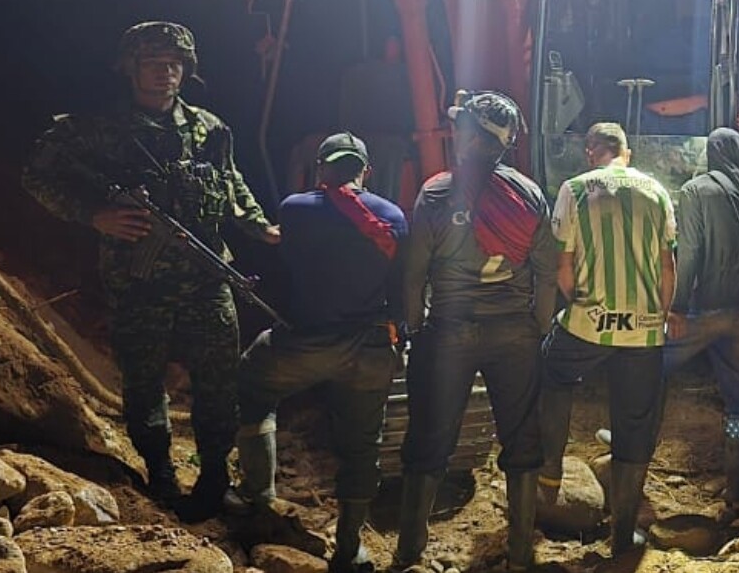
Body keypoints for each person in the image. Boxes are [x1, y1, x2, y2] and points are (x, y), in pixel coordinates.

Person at [22, 21, 280, 520]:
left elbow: (230, 184)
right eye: (153, 63)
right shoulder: (96, 130)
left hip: (208, 276)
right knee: (143, 382)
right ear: (129, 68)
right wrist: (93, 214)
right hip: (139, 280)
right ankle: (160, 473)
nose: (165, 74)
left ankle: (213, 476)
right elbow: (38, 174)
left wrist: (260, 226)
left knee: (219, 381)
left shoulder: (209, 128)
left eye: (174, 65)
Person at [394, 91, 556, 572]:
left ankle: (408, 550)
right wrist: (538, 326)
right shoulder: (528, 193)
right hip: (515, 335)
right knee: (522, 439)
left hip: (448, 331)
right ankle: (522, 553)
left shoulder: (438, 192)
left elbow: (414, 271)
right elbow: (546, 271)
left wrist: (416, 326)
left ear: (468, 137)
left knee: (429, 438)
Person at [231, 133, 406, 572]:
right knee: (363, 444)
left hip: (305, 344)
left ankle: (261, 499)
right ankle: (349, 549)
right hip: (368, 348)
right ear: (366, 170)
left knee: (252, 381)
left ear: (320, 169)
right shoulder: (394, 216)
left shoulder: (295, 209)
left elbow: (290, 261)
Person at [539, 122, 678, 555]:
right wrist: (659, 317)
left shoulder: (575, 189)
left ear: (590, 152)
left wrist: (575, 298)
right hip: (644, 329)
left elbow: (563, 263)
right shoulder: (656, 191)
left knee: (551, 372)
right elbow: (668, 267)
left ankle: (549, 472)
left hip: (587, 323)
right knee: (636, 423)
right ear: (626, 152)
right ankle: (623, 536)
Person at [664, 127, 739, 514]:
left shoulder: (697, 190)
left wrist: (676, 307)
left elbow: (690, 253)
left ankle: (630, 450)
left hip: (705, 313)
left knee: (645, 366)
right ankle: (736, 487)